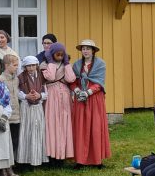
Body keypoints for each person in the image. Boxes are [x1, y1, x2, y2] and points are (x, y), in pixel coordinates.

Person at [71, 39, 110, 168]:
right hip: (80, 100)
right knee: (80, 128)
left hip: (94, 99)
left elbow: (99, 83)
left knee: (95, 127)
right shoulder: (76, 65)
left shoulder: (100, 64)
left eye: (88, 48)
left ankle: (97, 160)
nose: (85, 51)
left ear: (93, 51)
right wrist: (76, 90)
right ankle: (80, 160)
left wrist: (88, 92)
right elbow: (72, 81)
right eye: (83, 48)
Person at [42, 42, 76, 163]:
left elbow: (71, 79)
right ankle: (52, 155)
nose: (60, 55)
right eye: (58, 53)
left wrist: (66, 63)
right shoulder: (45, 64)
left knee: (64, 123)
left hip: (64, 96)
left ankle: (64, 153)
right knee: (52, 123)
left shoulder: (66, 64)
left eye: (62, 54)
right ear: (52, 53)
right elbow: (50, 77)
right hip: (51, 96)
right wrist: (51, 61)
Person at [16, 56, 47, 168]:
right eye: (28, 66)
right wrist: (26, 96)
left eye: (33, 65)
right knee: (26, 131)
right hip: (26, 106)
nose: (31, 68)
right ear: (24, 67)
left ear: (36, 66)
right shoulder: (20, 77)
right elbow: (17, 92)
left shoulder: (41, 76)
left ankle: (38, 158)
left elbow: (46, 92)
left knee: (38, 130)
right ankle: (25, 160)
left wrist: (40, 95)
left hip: (38, 106)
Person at [0, 55, 23, 176]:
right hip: (7, 115)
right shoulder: (1, 79)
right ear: (7, 65)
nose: (16, 68)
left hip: (16, 114)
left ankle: (10, 167)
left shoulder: (16, 79)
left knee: (14, 141)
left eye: (17, 65)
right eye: (14, 65)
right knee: (5, 143)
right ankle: (3, 169)